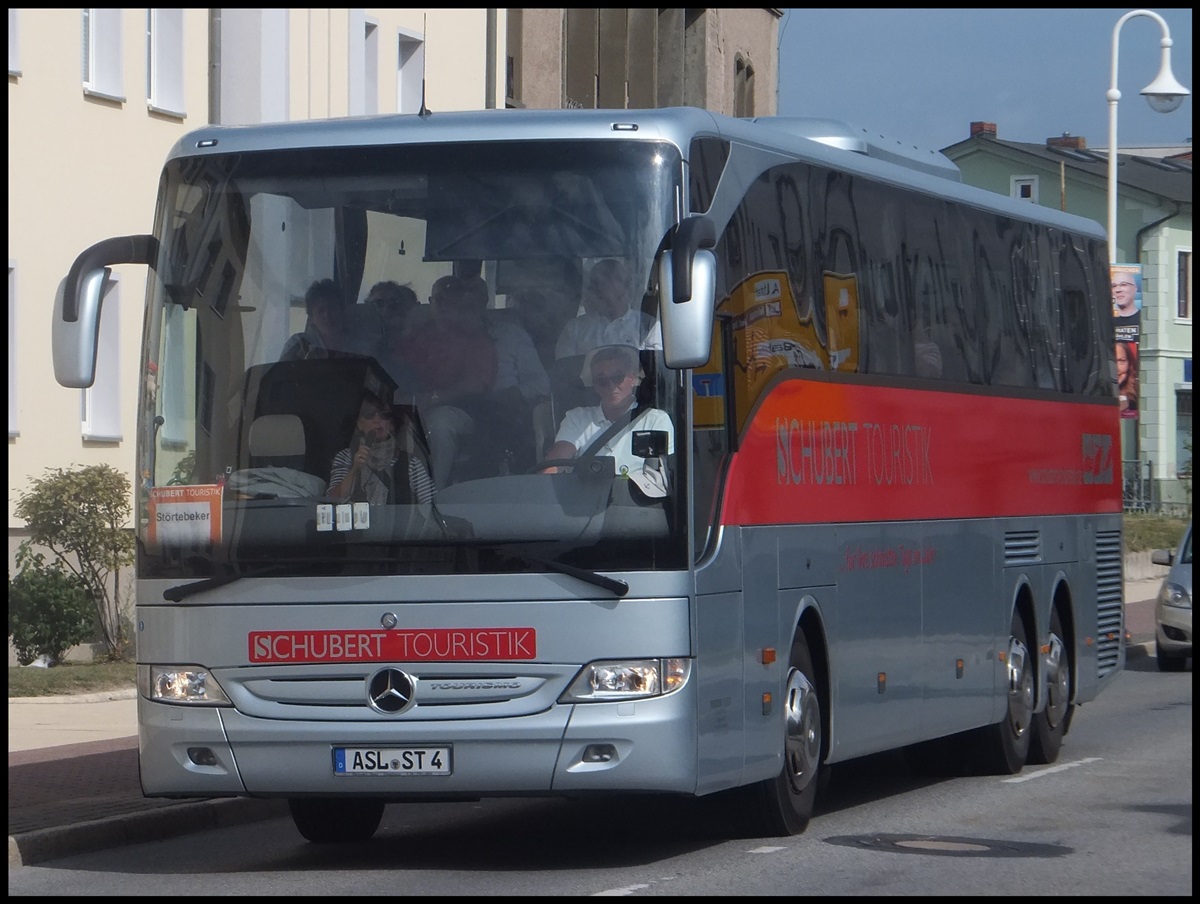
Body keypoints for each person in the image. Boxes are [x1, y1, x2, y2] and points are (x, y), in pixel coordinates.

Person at [400, 274, 500, 487]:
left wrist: (432, 399)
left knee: (440, 424)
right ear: (430, 302)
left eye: (452, 299)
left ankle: (431, 498)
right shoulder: (419, 336)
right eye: (440, 299)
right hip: (416, 407)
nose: (446, 305)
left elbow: (477, 385)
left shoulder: (477, 338)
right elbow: (399, 371)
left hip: (463, 411)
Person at [542, 344, 673, 496]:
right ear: (594, 385)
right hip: (581, 505)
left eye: (618, 378)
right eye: (602, 380)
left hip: (634, 508)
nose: (610, 385)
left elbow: (663, 479)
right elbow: (554, 465)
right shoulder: (577, 418)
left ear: (632, 378)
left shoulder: (656, 420)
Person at [327, 390, 434, 505]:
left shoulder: (410, 463)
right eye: (369, 414)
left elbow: (431, 506)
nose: (377, 420)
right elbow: (332, 501)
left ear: (391, 424)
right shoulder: (345, 457)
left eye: (384, 415)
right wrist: (354, 469)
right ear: (358, 422)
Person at [554, 258, 662, 359]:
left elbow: (655, 369)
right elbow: (565, 372)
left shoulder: (648, 326)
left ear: (626, 287)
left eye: (609, 280)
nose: (600, 287)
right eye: (595, 283)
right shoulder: (574, 329)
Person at [281, 279, 363, 361]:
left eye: (332, 308)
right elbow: (280, 372)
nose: (327, 315)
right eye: (321, 310)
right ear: (312, 318)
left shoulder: (361, 346)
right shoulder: (298, 344)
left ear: (342, 311)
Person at [367, 280, 420, 394]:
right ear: (367, 307)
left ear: (404, 308)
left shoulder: (420, 341)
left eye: (394, 303)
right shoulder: (357, 344)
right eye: (379, 303)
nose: (387, 309)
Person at [1112, 272, 1140, 342]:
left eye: (1124, 285)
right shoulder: (1106, 322)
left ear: (1135, 288)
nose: (1118, 290)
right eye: (1113, 286)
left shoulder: (1144, 320)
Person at [1116, 339, 1138, 417]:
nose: (1116, 368)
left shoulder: (1137, 395)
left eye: (1121, 361)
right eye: (1111, 360)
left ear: (1129, 364)